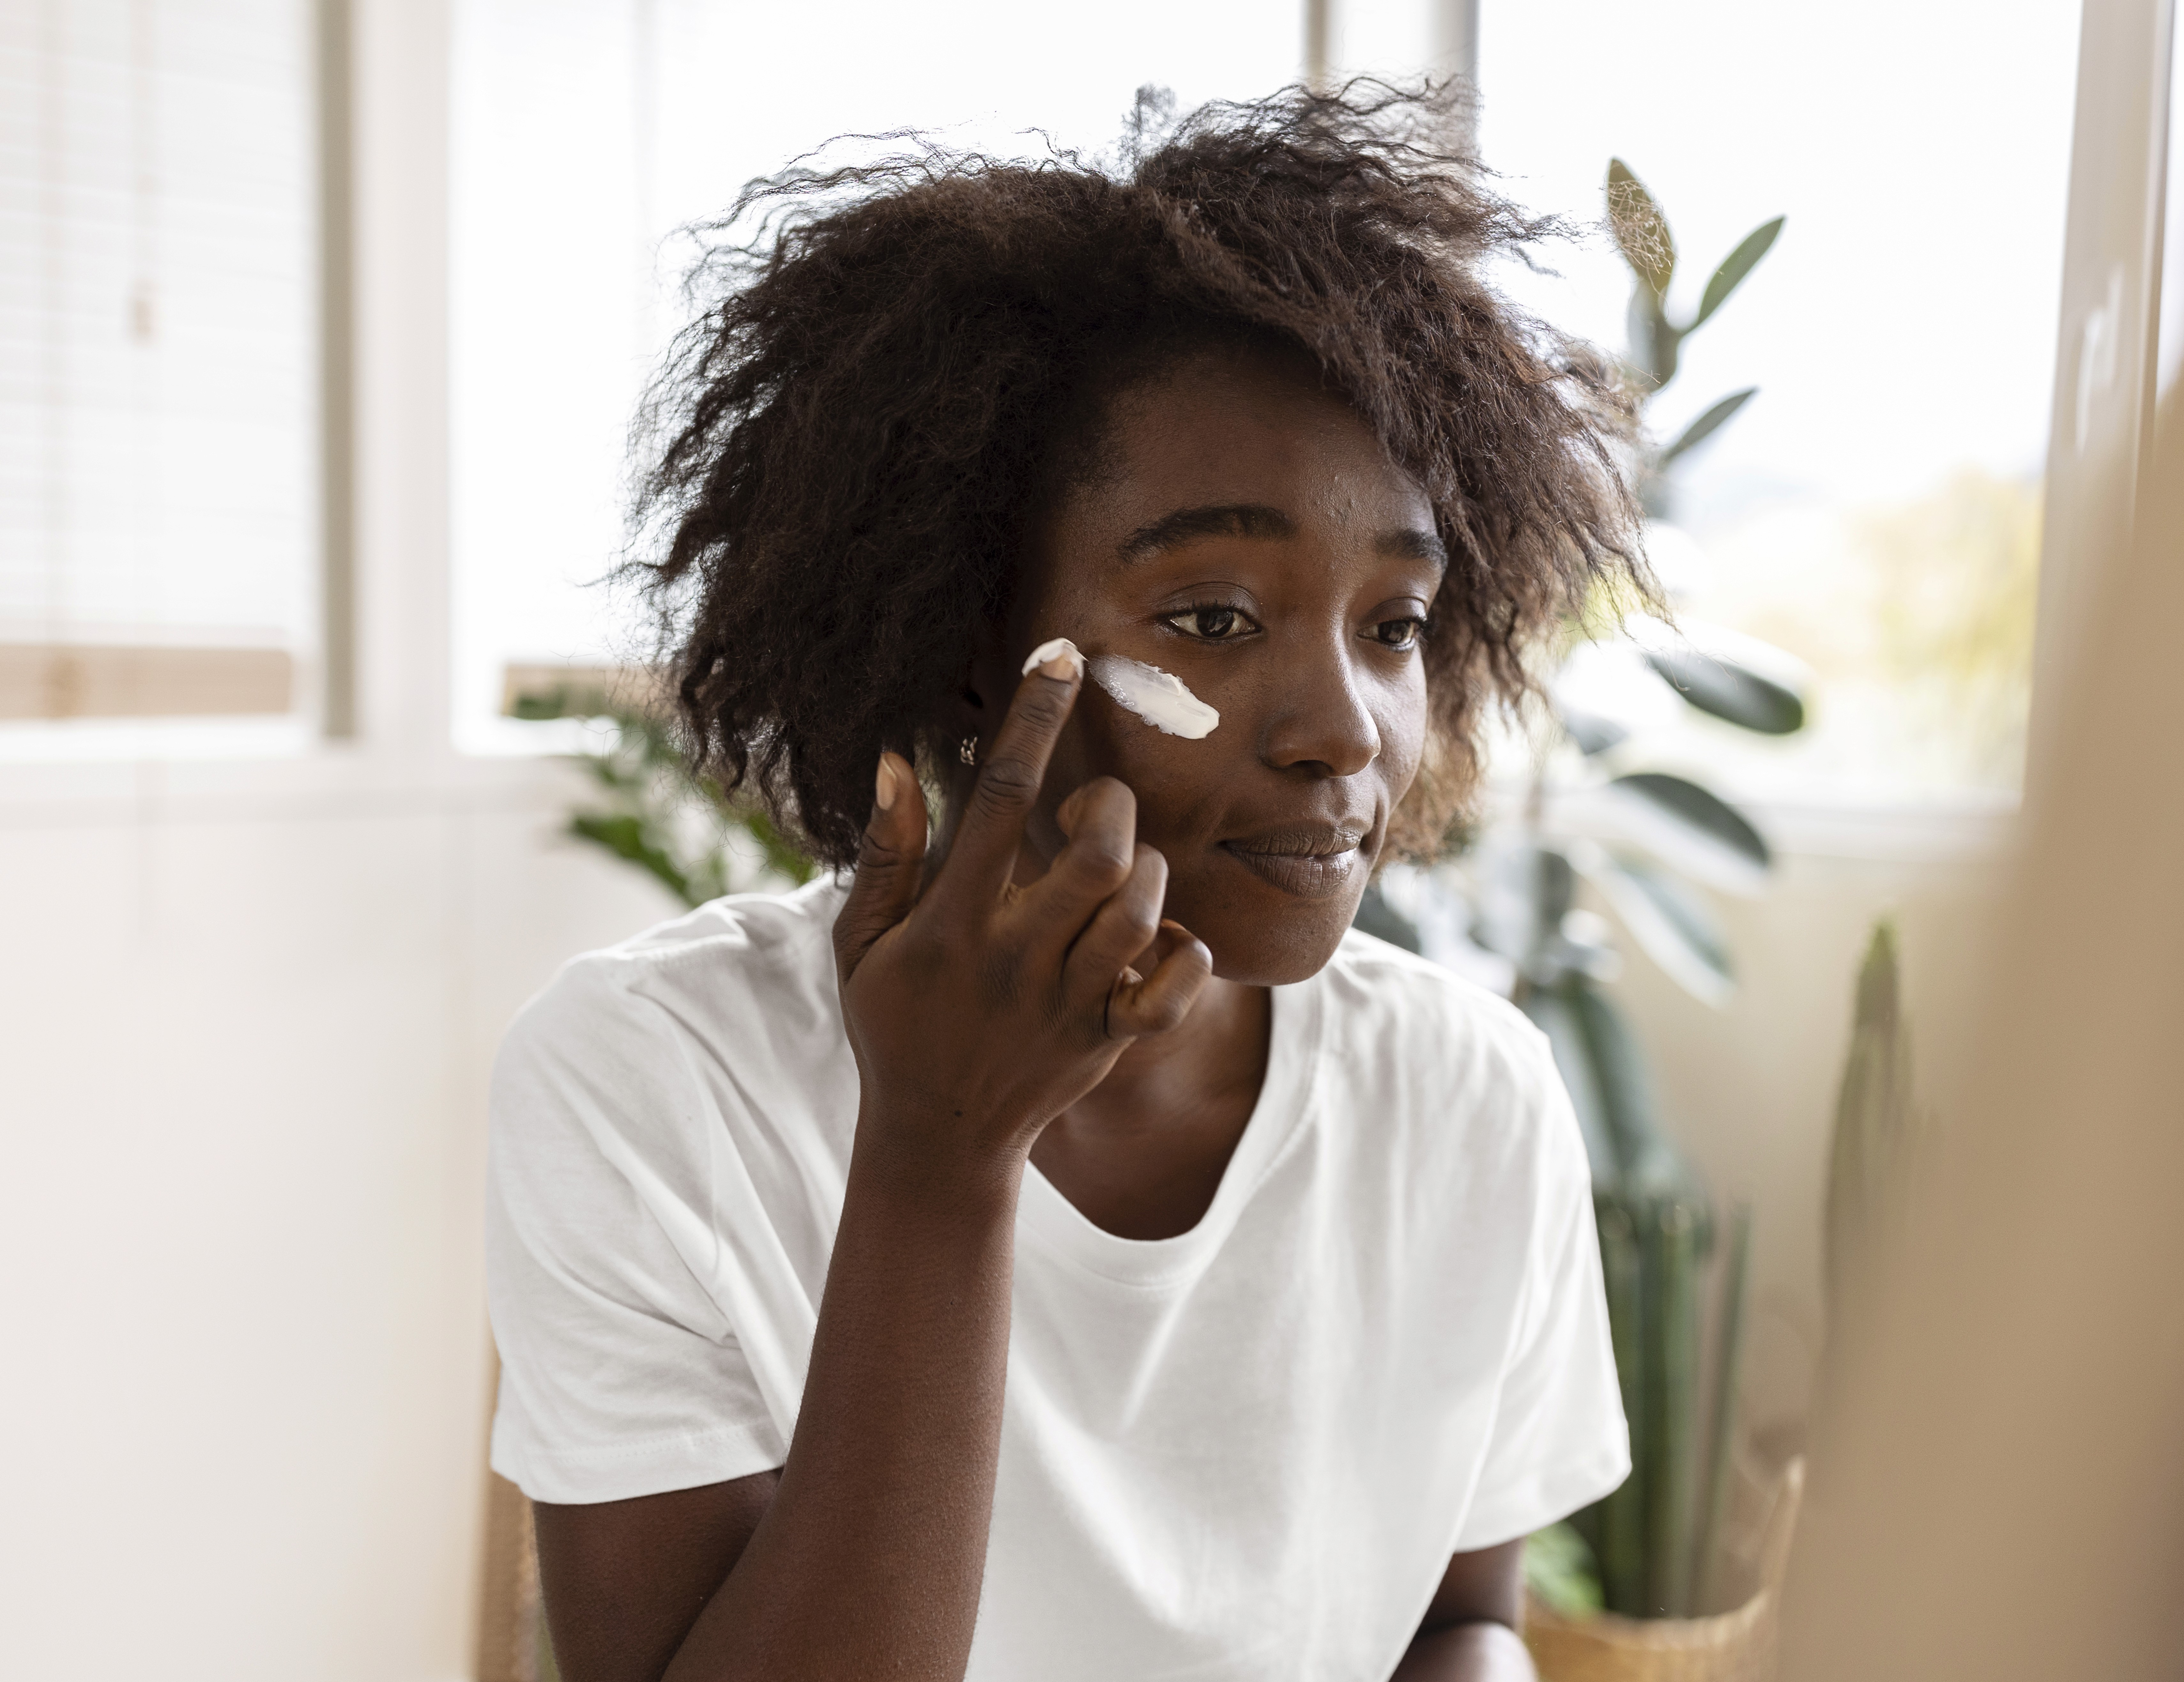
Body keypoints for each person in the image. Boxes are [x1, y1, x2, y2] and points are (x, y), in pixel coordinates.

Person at [487, 83, 1641, 1682]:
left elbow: (1459, 1623)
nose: (1342, 732)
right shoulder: (659, 1084)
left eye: (1392, 626)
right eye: (1214, 618)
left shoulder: (1468, 1096)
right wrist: (942, 1155)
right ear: (976, 649)